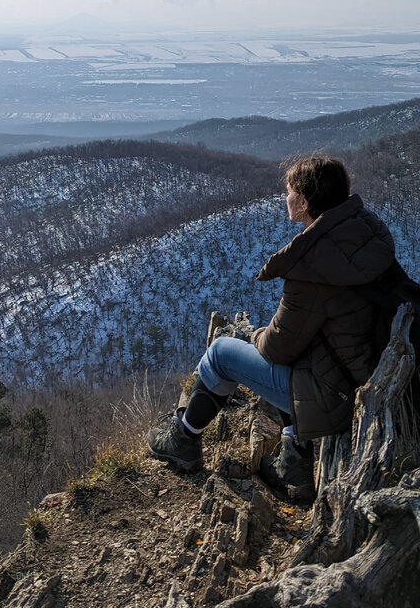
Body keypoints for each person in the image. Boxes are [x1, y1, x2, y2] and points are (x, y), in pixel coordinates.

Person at [146, 155, 397, 500]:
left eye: (290, 191)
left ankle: (182, 439)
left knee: (221, 352)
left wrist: (251, 335)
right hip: (366, 374)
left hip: (337, 396)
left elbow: (279, 348)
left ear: (305, 203)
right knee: (290, 346)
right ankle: (293, 460)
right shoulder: (364, 235)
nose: (285, 197)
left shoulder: (311, 266)